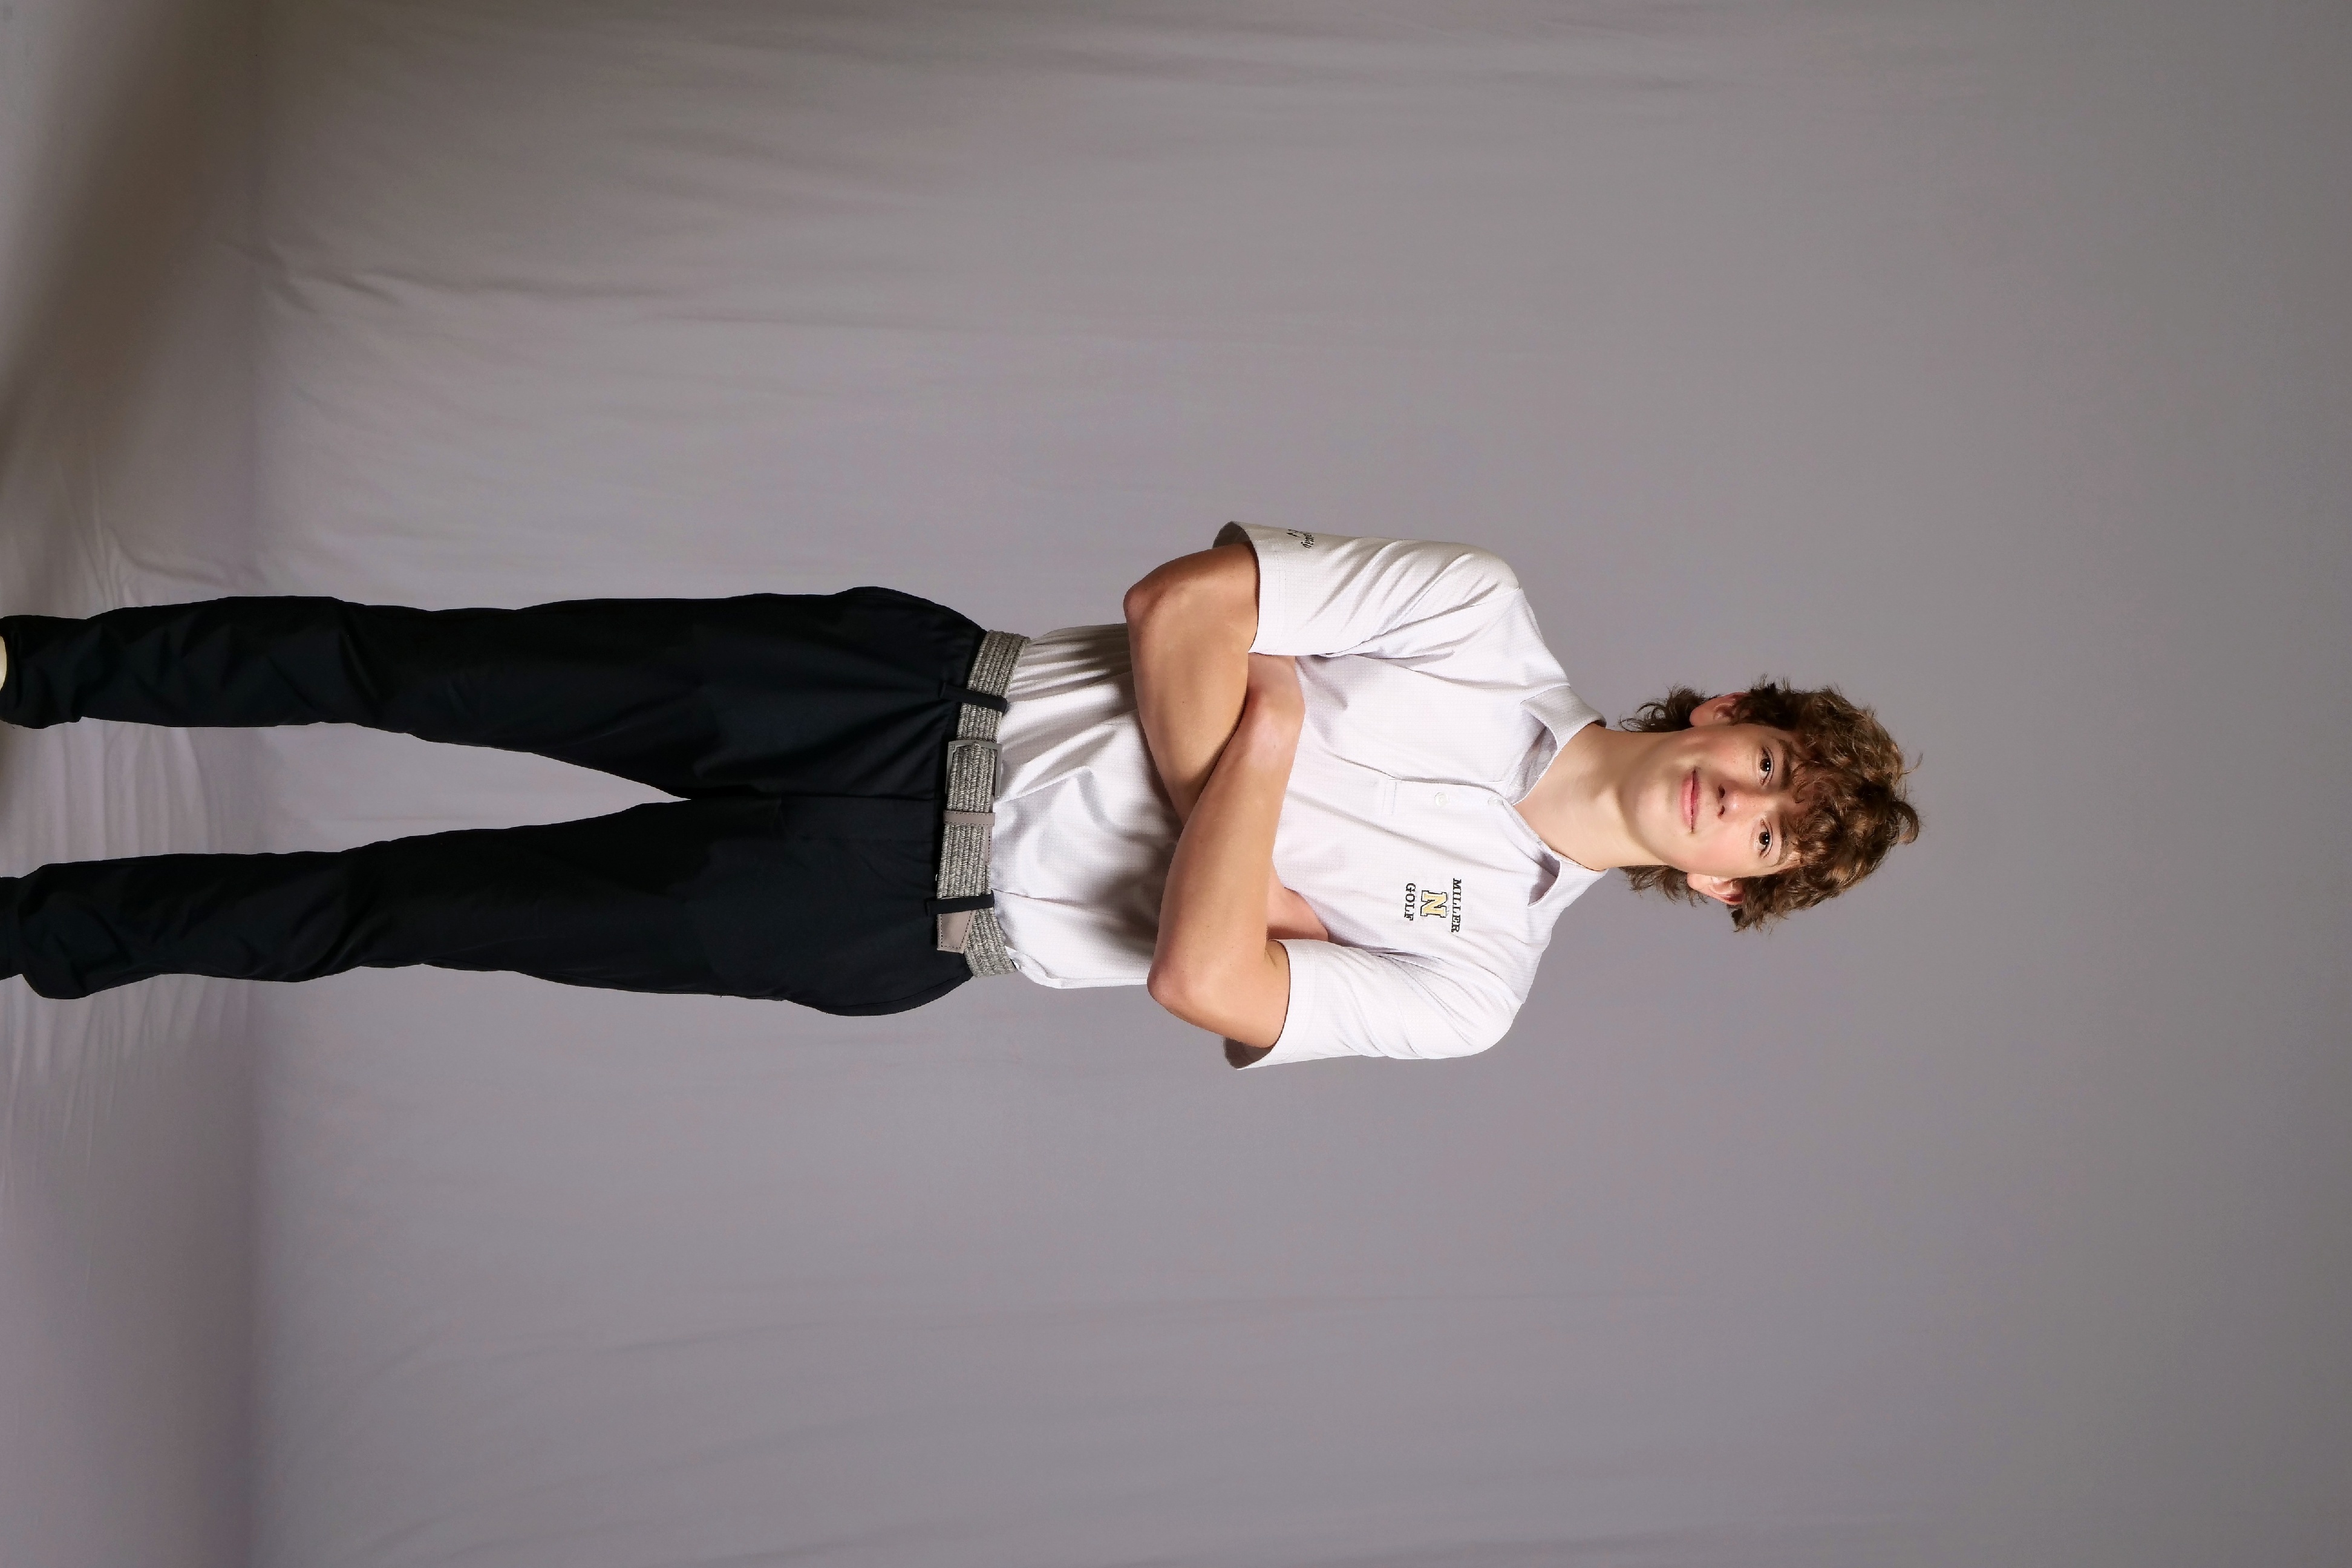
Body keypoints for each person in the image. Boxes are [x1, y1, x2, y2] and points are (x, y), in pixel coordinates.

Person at [0, 524, 1918, 1067]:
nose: (1743, 806)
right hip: (899, 696)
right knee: (422, 668)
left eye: (1775, 839)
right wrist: (1241, 848)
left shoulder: (1479, 984)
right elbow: (1182, 608)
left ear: (1732, 893)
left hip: (888, 920)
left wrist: (1263, 745)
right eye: (1771, 767)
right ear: (1727, 712)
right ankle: (43, 667)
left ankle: (34, 935)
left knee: (399, 909)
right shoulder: (1481, 621)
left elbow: (1199, 986)